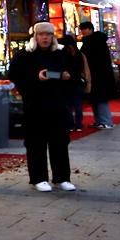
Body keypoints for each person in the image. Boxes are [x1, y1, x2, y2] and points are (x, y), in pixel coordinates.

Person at [10, 22, 76, 192]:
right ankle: (38, 178)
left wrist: (67, 76)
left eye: (48, 34)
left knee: (60, 142)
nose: (45, 38)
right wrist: (35, 77)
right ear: (35, 36)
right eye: (41, 34)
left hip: (58, 106)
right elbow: (15, 76)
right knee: (36, 143)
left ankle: (62, 177)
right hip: (35, 106)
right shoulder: (25, 55)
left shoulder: (60, 54)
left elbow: (73, 73)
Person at [79, 22, 116, 129]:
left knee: (100, 98)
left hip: (97, 74)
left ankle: (106, 121)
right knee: (95, 98)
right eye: (81, 29)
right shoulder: (97, 40)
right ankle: (100, 121)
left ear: (90, 29)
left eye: (84, 29)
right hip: (98, 74)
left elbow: (89, 58)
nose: (83, 31)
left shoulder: (93, 42)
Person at [59, 34, 91, 132]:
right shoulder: (79, 54)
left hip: (66, 82)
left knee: (67, 105)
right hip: (78, 81)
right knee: (78, 104)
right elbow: (85, 69)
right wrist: (87, 81)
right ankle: (78, 124)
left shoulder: (62, 54)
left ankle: (70, 125)